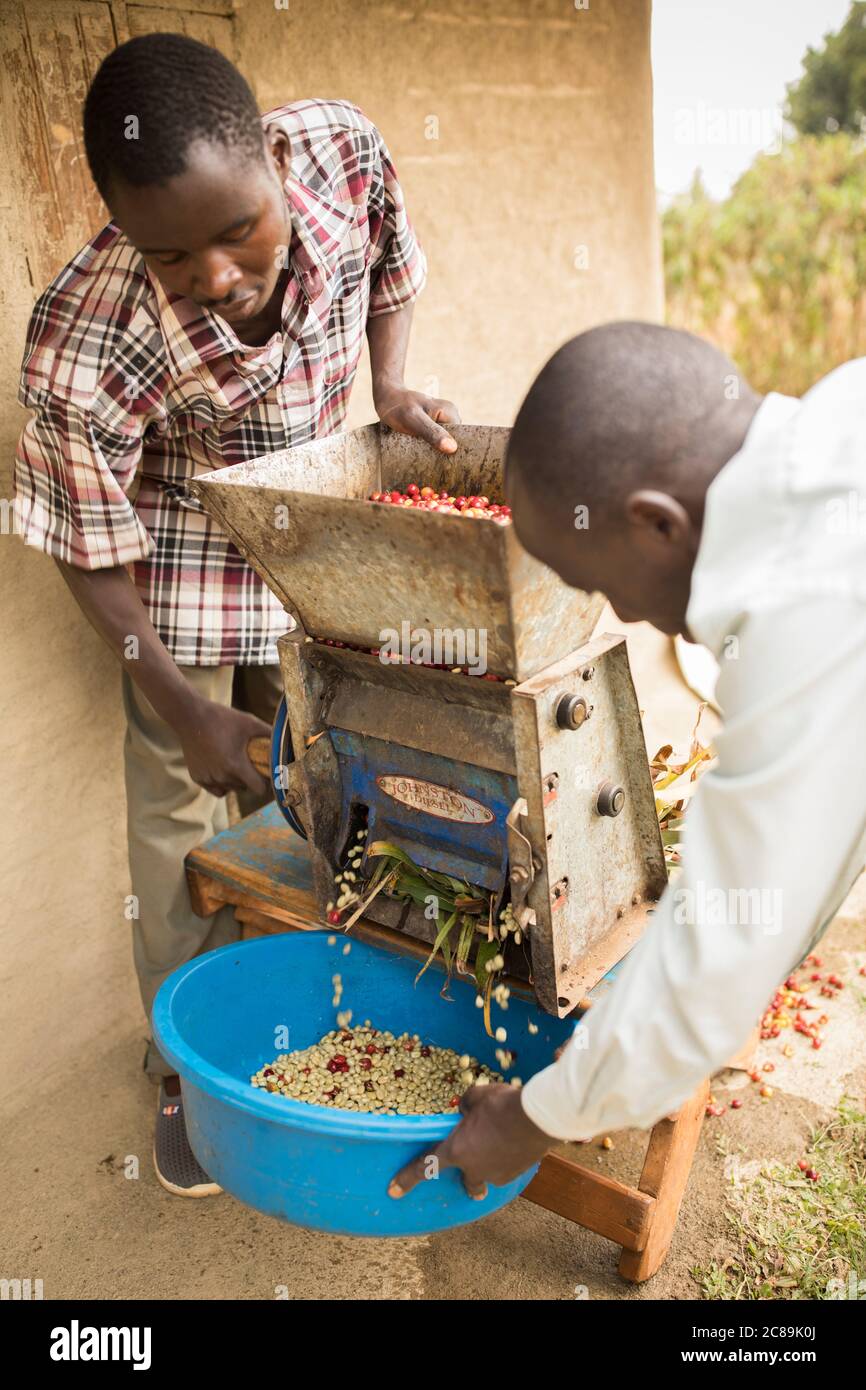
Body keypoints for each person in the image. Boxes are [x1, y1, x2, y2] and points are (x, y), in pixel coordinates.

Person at [14, 32, 458, 1197]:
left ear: (271, 158)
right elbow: (88, 554)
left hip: (316, 545)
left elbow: (391, 268)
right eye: (170, 254)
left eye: (235, 232)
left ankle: (343, 997)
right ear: (118, 228)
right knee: (183, 805)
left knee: (332, 764)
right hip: (179, 577)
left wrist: (390, 381)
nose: (213, 275)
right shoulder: (82, 339)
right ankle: (189, 1067)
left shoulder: (343, 151)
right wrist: (179, 708)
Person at [390, 321, 866, 1202]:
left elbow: (713, 970)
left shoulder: (813, 608)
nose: (622, 610)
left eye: (600, 580)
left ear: (657, 523)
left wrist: (531, 1118)